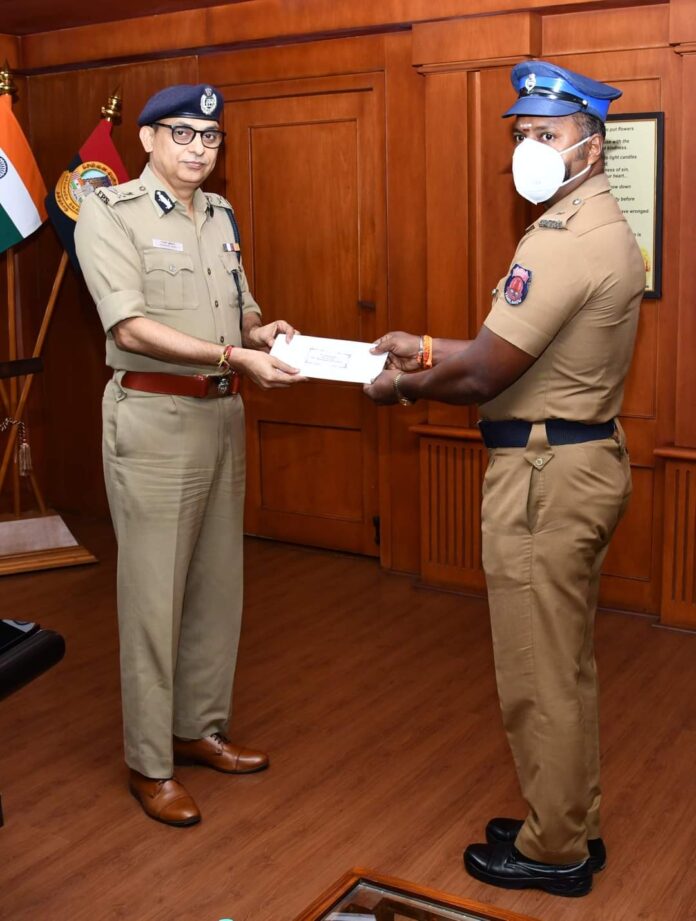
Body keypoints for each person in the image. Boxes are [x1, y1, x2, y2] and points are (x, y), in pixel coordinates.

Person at [365, 61, 645, 897]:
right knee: (566, 665)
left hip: (543, 478)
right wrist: (424, 348)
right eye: (522, 134)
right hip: (575, 460)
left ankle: (553, 851)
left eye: (547, 134)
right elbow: (514, 350)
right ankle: (570, 822)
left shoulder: (564, 239)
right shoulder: (593, 222)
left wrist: (402, 386)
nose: (530, 148)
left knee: (538, 674)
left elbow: (488, 371)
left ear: (592, 146)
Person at [75, 83, 305, 826]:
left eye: (210, 136)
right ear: (146, 139)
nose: (199, 148)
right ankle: (150, 762)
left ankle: (198, 728)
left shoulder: (220, 213)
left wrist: (261, 331)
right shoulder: (110, 212)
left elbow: (237, 305)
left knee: (216, 586)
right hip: (154, 420)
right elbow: (130, 327)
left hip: (221, 415)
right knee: (153, 600)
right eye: (182, 133)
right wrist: (236, 355)